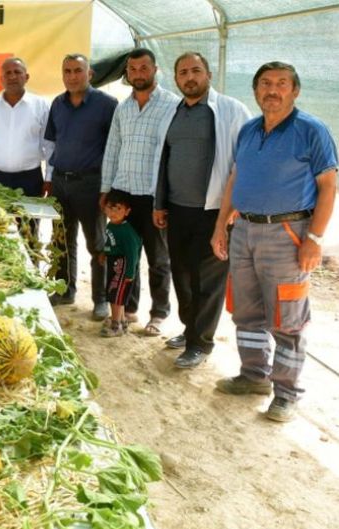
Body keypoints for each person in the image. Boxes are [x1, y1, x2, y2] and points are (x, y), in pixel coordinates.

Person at [211, 61, 337, 422]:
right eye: (265, 83)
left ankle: (286, 392)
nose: (273, 90)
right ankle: (254, 376)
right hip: (245, 230)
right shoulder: (249, 130)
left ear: (295, 91)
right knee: (247, 311)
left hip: (287, 234)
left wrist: (314, 238)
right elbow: (236, 179)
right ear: (255, 91)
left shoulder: (312, 130)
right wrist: (222, 225)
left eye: (282, 83)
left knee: (287, 318)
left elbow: (329, 185)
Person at [152, 53, 251, 369]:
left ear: (208, 74)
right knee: (181, 273)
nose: (189, 77)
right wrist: (160, 203)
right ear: (176, 78)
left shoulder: (230, 110)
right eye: (183, 72)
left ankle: (201, 344)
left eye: (196, 71)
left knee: (207, 280)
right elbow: (163, 160)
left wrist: (231, 211)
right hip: (178, 210)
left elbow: (242, 163)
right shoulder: (174, 112)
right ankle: (189, 329)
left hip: (215, 212)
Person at [100, 48, 180, 336]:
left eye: (143, 68)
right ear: (127, 74)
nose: (138, 74)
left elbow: (174, 152)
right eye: (132, 70)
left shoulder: (172, 104)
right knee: (123, 256)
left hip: (154, 195)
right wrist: (106, 190)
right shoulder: (123, 108)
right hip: (123, 194)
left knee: (159, 258)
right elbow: (112, 150)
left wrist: (169, 196)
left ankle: (158, 313)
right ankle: (128, 310)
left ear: (155, 70)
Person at [44, 53, 118, 319]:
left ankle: (101, 299)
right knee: (62, 241)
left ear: (90, 74)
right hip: (61, 182)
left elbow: (115, 147)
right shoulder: (57, 104)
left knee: (97, 244)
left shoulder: (107, 105)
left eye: (78, 70)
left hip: (91, 184)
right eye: (67, 71)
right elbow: (53, 143)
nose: (72, 76)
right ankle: (65, 290)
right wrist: (50, 179)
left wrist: (108, 188)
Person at [0, 57, 53, 245]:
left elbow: (49, 145)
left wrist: (49, 177)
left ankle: (31, 271)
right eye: (7, 73)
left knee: (29, 234)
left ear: (26, 77)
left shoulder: (40, 105)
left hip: (30, 180)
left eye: (17, 72)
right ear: (1, 79)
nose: (12, 76)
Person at [99, 190, 142, 337]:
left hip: (122, 266)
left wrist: (130, 273)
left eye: (118, 209)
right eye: (110, 208)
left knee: (116, 296)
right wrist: (105, 252)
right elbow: (110, 242)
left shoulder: (126, 231)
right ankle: (122, 321)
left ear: (127, 211)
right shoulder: (111, 225)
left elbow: (132, 254)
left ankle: (115, 325)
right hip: (114, 262)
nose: (113, 212)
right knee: (115, 294)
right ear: (104, 208)